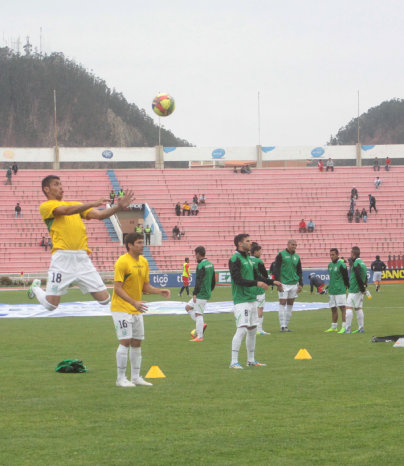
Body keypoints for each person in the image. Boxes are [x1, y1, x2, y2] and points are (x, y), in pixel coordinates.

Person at [27, 175, 134, 311]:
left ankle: (72, 280)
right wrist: (93, 203)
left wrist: (118, 207)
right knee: (51, 305)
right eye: (56, 184)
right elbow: (65, 211)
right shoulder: (46, 206)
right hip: (62, 259)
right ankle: (35, 288)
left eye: (61, 183)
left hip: (82, 258)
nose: (60, 187)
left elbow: (100, 215)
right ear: (46, 189)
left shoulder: (75, 205)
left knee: (105, 299)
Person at [111, 232, 170, 387]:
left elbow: (145, 286)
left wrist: (159, 291)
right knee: (125, 341)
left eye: (142, 242)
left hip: (136, 308)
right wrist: (134, 302)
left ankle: (136, 377)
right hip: (121, 308)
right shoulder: (122, 262)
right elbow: (117, 288)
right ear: (130, 245)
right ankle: (120, 378)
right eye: (138, 242)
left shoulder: (144, 261)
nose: (142, 245)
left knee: (137, 342)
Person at [229, 234, 281, 369]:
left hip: (252, 299)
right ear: (240, 244)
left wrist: (271, 281)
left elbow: (256, 276)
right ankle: (233, 361)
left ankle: (251, 360)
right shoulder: (235, 258)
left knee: (252, 330)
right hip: (241, 300)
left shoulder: (249, 259)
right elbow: (237, 279)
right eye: (247, 241)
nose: (250, 243)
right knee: (241, 330)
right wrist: (257, 284)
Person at [185, 246, 215, 342]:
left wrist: (195, 293)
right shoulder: (210, 264)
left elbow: (198, 280)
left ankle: (200, 336)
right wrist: (210, 289)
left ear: (198, 254)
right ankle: (200, 325)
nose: (195, 256)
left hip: (201, 293)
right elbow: (213, 280)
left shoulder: (201, 265)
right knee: (188, 307)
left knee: (198, 314)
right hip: (206, 292)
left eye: (195, 254)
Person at [273, 239, 303, 332]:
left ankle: (286, 325)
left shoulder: (297, 257)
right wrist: (278, 282)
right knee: (282, 303)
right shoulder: (281, 255)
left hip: (294, 284)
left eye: (295, 245)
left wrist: (301, 284)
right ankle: (282, 325)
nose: (294, 246)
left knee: (290, 305)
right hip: (283, 284)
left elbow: (299, 271)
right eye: (292, 244)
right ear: (288, 244)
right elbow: (276, 268)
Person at [325, 248, 349, 333]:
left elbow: (346, 277)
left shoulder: (342, 265)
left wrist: (346, 286)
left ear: (337, 255)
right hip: (332, 290)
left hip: (340, 290)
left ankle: (344, 327)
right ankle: (334, 326)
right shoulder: (330, 265)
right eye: (330, 255)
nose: (331, 256)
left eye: (333, 255)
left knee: (342, 308)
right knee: (333, 308)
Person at [345, 246, 367, 333]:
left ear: (353, 254)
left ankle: (348, 329)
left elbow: (358, 276)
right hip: (360, 289)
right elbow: (365, 276)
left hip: (354, 289)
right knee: (358, 308)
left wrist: (362, 288)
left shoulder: (356, 264)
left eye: (351, 253)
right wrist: (364, 287)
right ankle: (361, 328)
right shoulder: (362, 263)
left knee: (349, 308)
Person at [250, 243, 270, 335]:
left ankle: (250, 327)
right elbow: (265, 275)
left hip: (250, 288)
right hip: (259, 288)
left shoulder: (247, 260)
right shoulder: (259, 262)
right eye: (260, 250)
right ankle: (259, 329)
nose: (261, 252)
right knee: (260, 308)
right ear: (256, 251)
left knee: (251, 308)